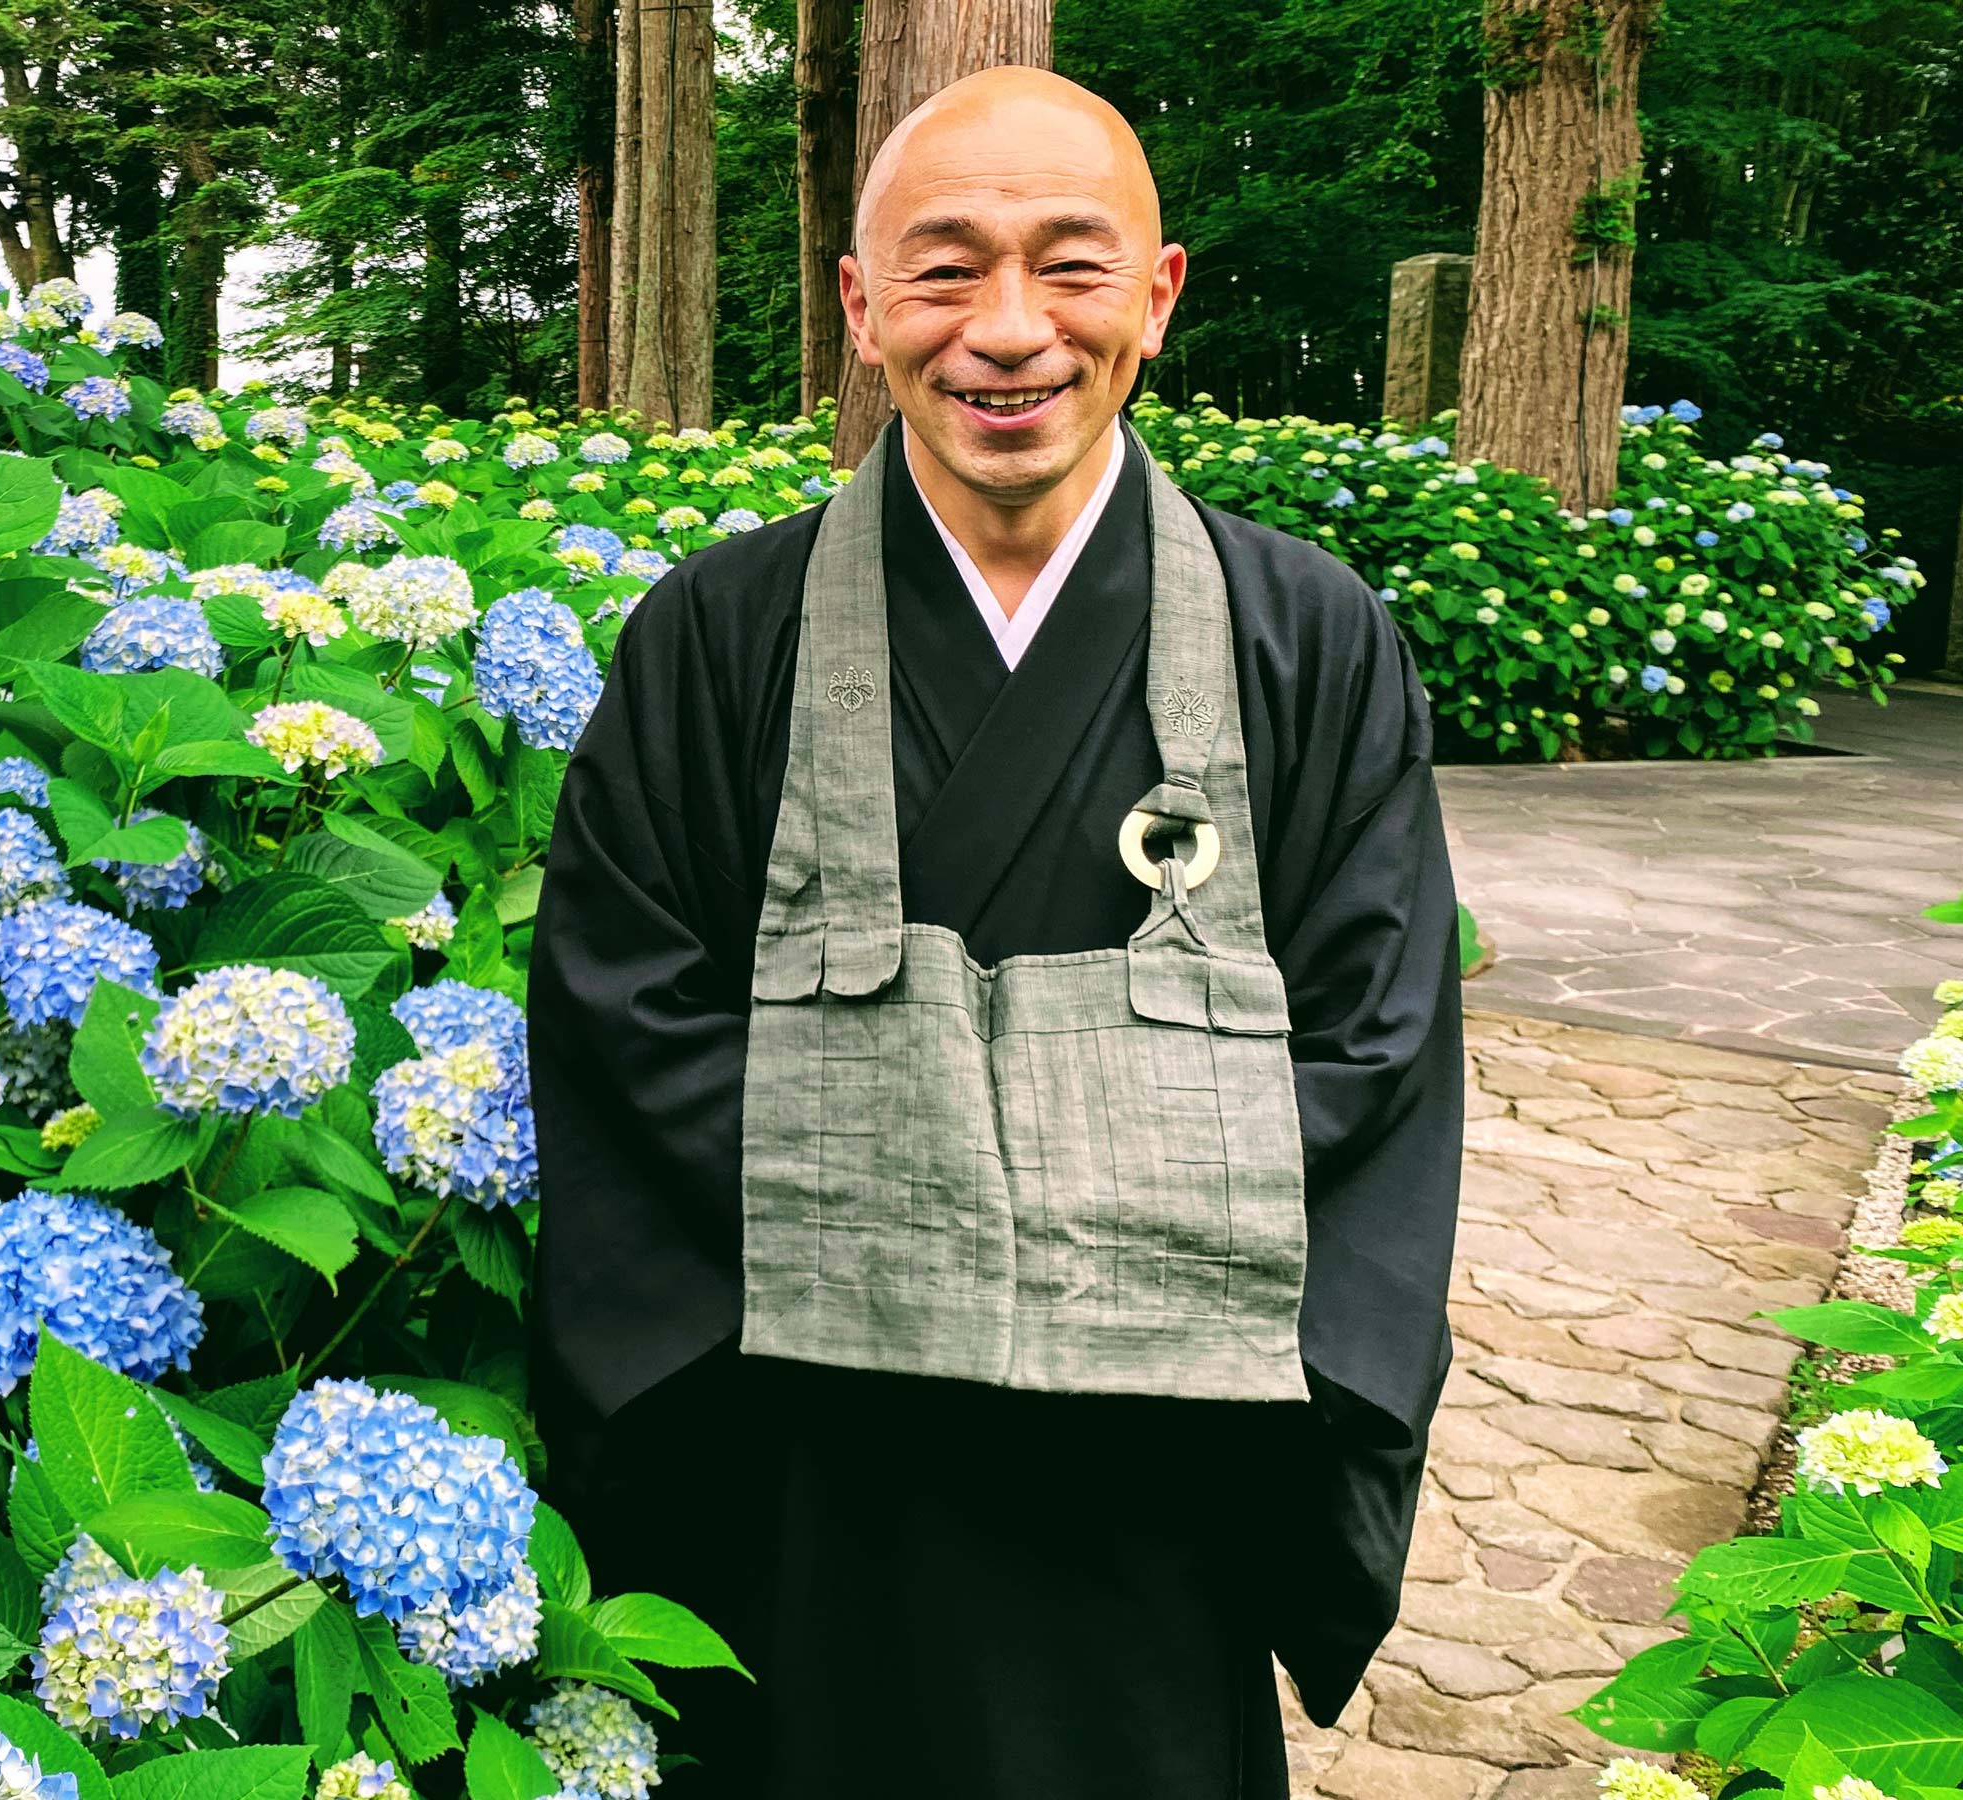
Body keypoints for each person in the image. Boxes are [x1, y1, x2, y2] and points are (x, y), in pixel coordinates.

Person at [529, 66, 1463, 1798]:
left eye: (1072, 266)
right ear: (863, 304)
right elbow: (620, 1009)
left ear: (1160, 297)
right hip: (812, 1461)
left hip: (1156, 1476)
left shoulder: (1310, 637)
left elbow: (1377, 1040)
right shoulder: (716, 634)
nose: (1011, 331)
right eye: (947, 268)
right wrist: (1034, 1181)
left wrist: (1009, 1208)